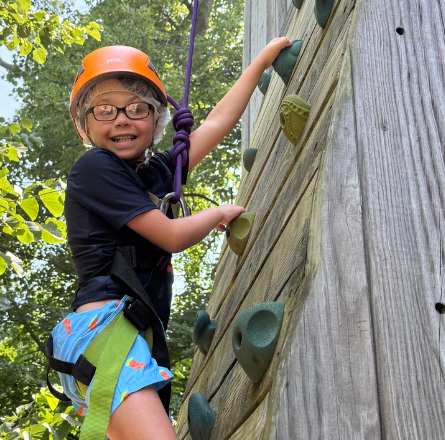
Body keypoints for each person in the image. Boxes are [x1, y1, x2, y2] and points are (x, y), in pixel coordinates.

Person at [48, 37, 294, 440]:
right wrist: (218, 212)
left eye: (137, 108)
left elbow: (215, 124)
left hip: (127, 335)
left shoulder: (155, 174)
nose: (122, 119)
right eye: (105, 110)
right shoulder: (95, 167)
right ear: (85, 124)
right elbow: (172, 236)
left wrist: (261, 63)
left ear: (157, 117)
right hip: (105, 332)